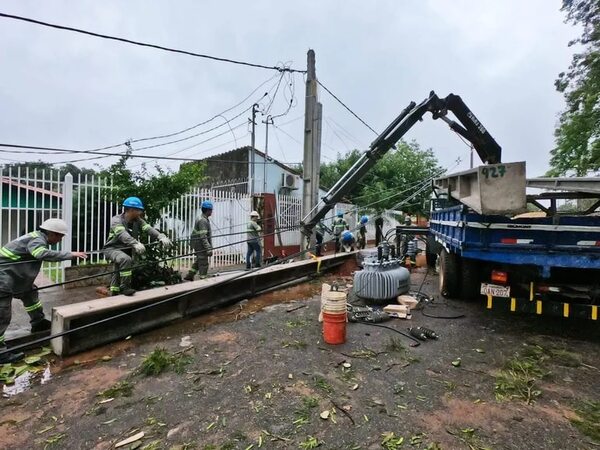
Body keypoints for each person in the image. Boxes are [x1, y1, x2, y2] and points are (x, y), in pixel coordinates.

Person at [0, 218, 87, 363]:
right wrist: (69, 255)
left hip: (12, 276)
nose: (60, 239)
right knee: (2, 314)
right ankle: (1, 353)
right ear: (52, 233)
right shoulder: (37, 241)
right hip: (3, 279)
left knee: (30, 293)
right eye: (60, 236)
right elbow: (41, 254)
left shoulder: (36, 237)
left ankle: (38, 322)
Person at [102, 196, 171, 297]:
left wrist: (160, 236)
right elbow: (122, 234)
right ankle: (124, 287)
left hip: (126, 249)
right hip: (112, 249)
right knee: (125, 259)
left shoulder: (137, 220)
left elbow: (148, 228)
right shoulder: (116, 220)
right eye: (138, 210)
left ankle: (114, 292)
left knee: (118, 269)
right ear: (131, 210)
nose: (140, 212)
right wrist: (135, 243)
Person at [185, 200, 213, 281]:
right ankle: (203, 279)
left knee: (199, 260)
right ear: (207, 210)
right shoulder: (203, 220)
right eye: (211, 210)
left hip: (197, 243)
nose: (212, 211)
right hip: (200, 244)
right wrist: (208, 248)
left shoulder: (203, 218)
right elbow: (203, 236)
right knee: (203, 262)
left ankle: (190, 275)